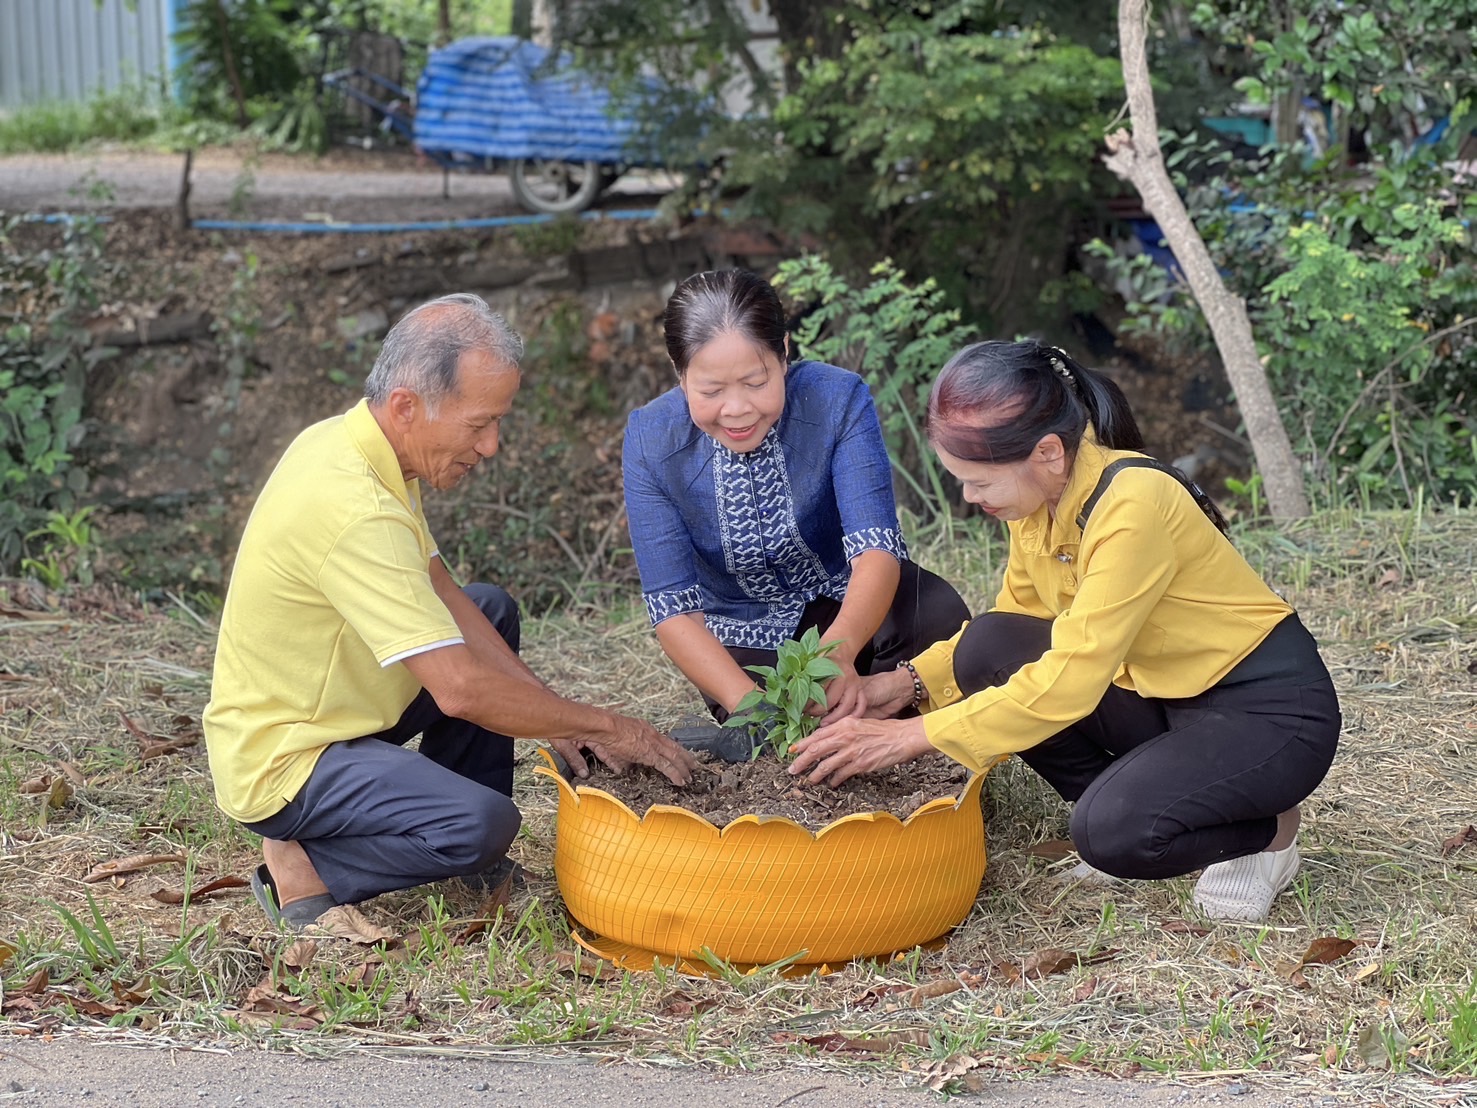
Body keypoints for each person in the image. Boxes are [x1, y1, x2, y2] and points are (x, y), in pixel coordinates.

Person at [788, 340, 1341, 923]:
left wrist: (908, 737)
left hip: (1265, 712)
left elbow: (1071, 678)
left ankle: (1267, 833)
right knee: (989, 647)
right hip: (1162, 694)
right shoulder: (1037, 505)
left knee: (1111, 834)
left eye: (980, 482)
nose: (969, 498)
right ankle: (1143, 798)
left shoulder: (1132, 504)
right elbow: (1011, 633)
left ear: (1048, 451)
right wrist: (898, 687)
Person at [203, 293, 697, 935]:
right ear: (408, 405)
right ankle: (309, 863)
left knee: (489, 609)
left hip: (335, 710)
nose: (491, 445)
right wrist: (607, 726)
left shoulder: (361, 446)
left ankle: (451, 834)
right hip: (287, 759)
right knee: (484, 825)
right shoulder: (355, 507)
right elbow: (459, 690)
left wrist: (551, 714)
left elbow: (441, 587)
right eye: (478, 424)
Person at [622, 268, 970, 725]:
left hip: (851, 606)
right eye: (711, 391)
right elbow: (675, 612)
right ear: (681, 374)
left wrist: (838, 657)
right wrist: (755, 709)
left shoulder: (838, 399)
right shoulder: (651, 440)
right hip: (743, 635)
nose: (737, 408)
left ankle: (883, 718)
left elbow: (876, 550)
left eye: (755, 382)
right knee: (770, 720)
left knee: (936, 613)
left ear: (783, 353)